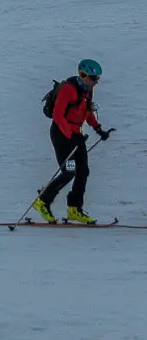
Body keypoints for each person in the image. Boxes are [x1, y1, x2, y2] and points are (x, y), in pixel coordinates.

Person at [35, 59, 112, 224]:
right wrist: (69, 136)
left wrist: (98, 129)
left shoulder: (88, 90)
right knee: (69, 171)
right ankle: (42, 201)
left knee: (83, 171)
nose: (95, 82)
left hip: (76, 135)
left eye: (97, 78)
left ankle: (74, 209)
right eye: (93, 78)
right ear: (82, 75)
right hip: (61, 135)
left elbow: (87, 112)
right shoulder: (68, 90)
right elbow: (57, 116)